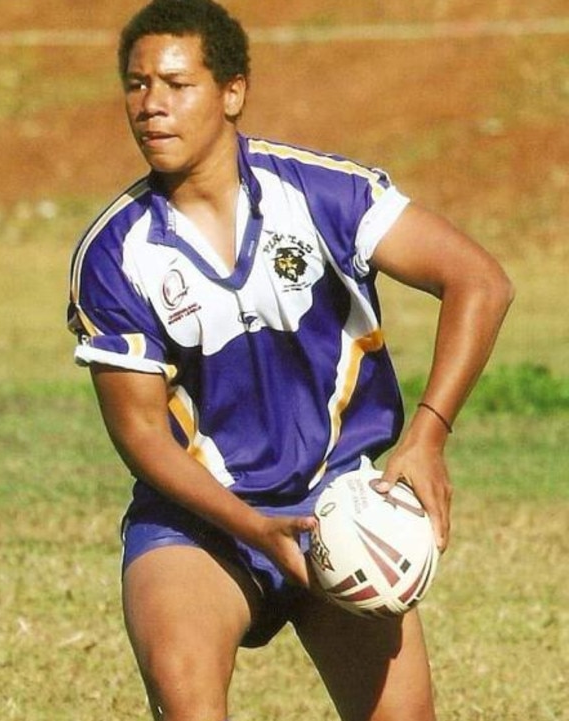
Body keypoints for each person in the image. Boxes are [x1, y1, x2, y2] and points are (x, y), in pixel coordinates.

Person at [66, 1, 513, 719]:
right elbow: (143, 434)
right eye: (136, 84)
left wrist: (427, 435)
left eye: (176, 85)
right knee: (188, 699)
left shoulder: (322, 194)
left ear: (232, 92)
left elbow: (480, 281)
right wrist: (255, 528)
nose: (151, 105)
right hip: (200, 521)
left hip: (337, 503)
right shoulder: (115, 254)